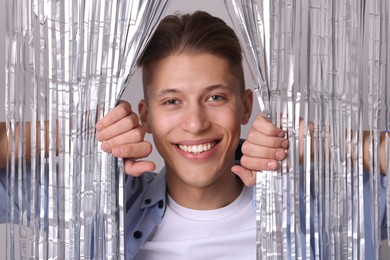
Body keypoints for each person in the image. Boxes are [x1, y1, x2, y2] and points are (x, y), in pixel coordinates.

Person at [0, 10, 387, 260]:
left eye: (215, 97)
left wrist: (336, 145)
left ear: (246, 106)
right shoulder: (92, 203)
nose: (196, 123)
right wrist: (71, 131)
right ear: (145, 116)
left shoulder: (327, 205)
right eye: (172, 102)